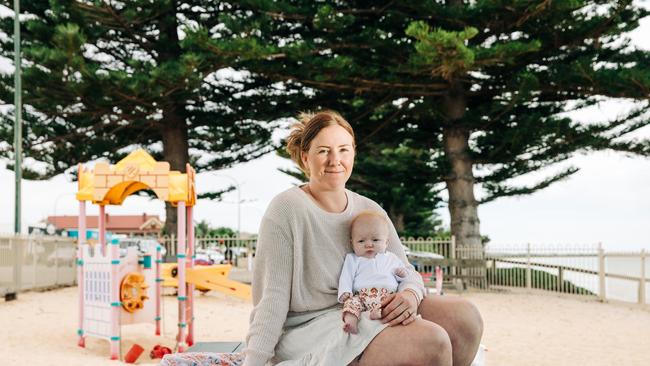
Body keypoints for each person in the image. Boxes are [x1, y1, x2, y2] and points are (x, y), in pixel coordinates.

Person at [244, 110, 483, 366]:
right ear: (305, 157)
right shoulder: (286, 209)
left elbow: (406, 273)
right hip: (310, 327)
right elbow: (272, 300)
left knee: (465, 318)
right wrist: (255, 361)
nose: (335, 160)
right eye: (324, 151)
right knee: (431, 341)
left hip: (374, 305)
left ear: (354, 154)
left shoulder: (369, 210)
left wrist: (410, 296)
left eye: (344, 150)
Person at [338, 210, 409, 334]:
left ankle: (377, 313)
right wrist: (345, 292)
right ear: (352, 243)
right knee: (351, 304)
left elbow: (405, 277)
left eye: (375, 240)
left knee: (395, 304)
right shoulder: (353, 259)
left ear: (386, 242)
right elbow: (346, 277)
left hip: (387, 295)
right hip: (362, 295)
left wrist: (401, 274)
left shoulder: (392, 258)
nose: (369, 244)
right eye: (361, 241)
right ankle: (351, 322)